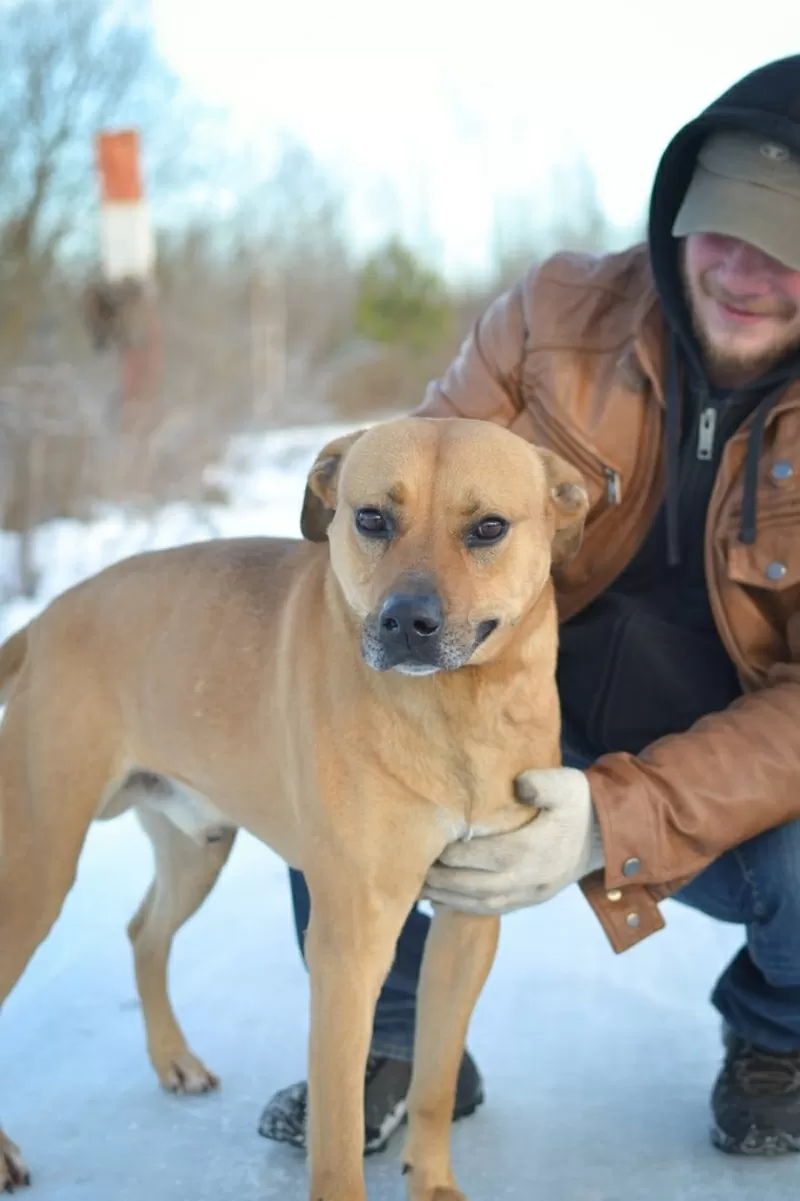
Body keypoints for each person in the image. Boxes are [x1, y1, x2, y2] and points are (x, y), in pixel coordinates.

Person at [259, 54, 800, 1159]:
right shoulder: (557, 312)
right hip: (511, 684)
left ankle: (777, 1036)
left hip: (723, 742)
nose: (747, 271)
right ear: (674, 215)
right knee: (342, 730)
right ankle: (396, 1039)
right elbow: (402, 490)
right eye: (725, 230)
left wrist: (613, 818)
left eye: (788, 250)